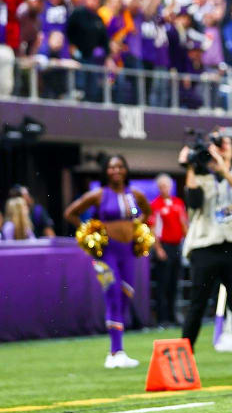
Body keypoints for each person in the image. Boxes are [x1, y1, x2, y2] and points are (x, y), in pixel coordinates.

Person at [64, 155, 155, 369]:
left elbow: (147, 213)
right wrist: (89, 232)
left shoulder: (135, 195)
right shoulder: (98, 194)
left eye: (120, 166)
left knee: (125, 294)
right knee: (112, 292)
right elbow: (70, 213)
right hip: (106, 253)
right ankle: (115, 352)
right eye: (111, 167)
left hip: (128, 252)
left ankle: (118, 352)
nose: (116, 170)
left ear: (126, 170)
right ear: (105, 171)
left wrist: (138, 226)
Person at [179, 135, 232, 377]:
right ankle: (182, 361)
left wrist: (222, 168)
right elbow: (193, 201)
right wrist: (191, 165)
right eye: (216, 146)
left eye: (224, 145)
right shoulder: (199, 175)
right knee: (197, 305)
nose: (220, 150)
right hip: (205, 246)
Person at [149, 173, 186, 326]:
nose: (165, 188)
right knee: (162, 284)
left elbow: (184, 224)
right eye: (162, 186)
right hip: (163, 247)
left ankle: (173, 316)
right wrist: (158, 248)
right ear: (159, 188)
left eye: (167, 186)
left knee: (174, 283)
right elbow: (153, 228)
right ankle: (162, 318)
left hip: (177, 246)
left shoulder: (178, 202)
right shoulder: (155, 205)